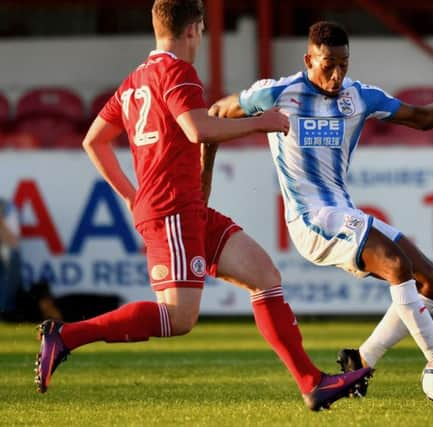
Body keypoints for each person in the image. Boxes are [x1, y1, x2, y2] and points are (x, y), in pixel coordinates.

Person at [35, 3, 370, 411]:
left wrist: (128, 194)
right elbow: (197, 128)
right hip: (171, 210)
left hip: (186, 206)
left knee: (264, 275)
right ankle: (66, 336)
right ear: (195, 28)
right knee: (178, 318)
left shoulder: (134, 81)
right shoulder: (178, 72)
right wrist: (258, 122)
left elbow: (95, 140)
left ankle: (312, 383)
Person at [210, 21, 433, 397]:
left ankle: (361, 360)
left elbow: (422, 119)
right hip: (312, 220)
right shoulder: (276, 93)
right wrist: (207, 172)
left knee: (432, 281)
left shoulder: (358, 96)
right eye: (329, 64)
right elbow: (214, 114)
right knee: (396, 265)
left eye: (344, 64)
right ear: (309, 59)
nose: (338, 73)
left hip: (344, 210)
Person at [0, 198, 23, 319]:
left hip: (4, 244)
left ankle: (4, 310)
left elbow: (13, 241)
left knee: (11, 256)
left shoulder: (6, 206)